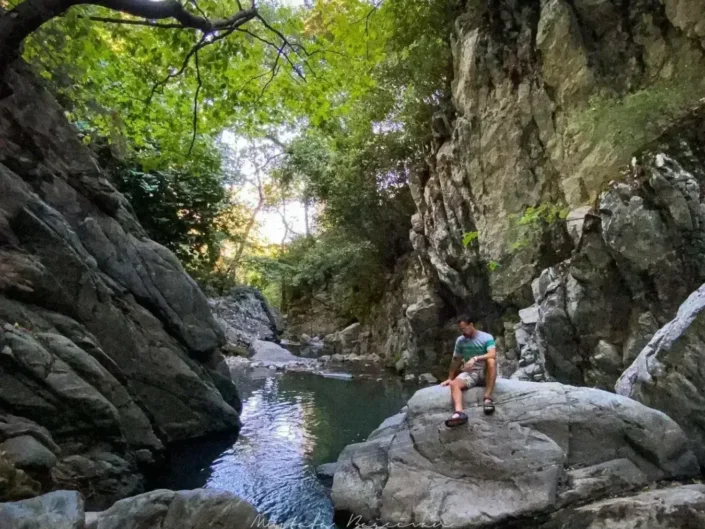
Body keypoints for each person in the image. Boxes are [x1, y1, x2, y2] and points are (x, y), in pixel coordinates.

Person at [441, 314, 497, 426]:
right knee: (453, 384)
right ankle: (459, 413)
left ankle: (487, 398)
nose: (462, 332)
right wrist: (450, 378)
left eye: (464, 329)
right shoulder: (460, 341)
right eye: (460, 330)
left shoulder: (486, 337)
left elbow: (492, 353)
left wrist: (475, 358)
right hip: (470, 373)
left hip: (484, 371)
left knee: (491, 361)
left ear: (471, 325)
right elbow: (456, 359)